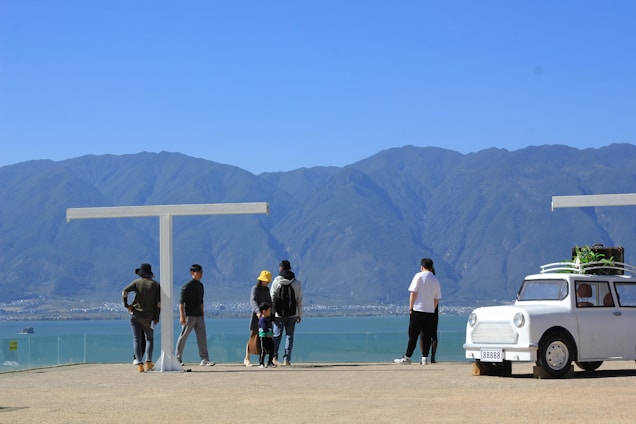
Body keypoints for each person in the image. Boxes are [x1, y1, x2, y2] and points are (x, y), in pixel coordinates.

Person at [394, 258, 442, 365]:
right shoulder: (435, 280)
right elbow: (437, 298)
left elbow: (413, 293)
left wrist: (411, 308)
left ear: (422, 267)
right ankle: (425, 357)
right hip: (430, 312)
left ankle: (408, 357)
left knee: (413, 335)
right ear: (431, 267)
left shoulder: (419, 276)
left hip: (418, 310)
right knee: (426, 335)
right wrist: (432, 308)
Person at [122, 263, 161, 372]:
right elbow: (158, 304)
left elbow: (124, 291)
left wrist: (126, 305)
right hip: (149, 317)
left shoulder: (137, 283)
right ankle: (148, 362)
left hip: (135, 315)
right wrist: (156, 317)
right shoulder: (156, 285)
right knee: (149, 339)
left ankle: (139, 364)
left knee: (137, 339)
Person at [175, 264, 215, 366]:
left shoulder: (201, 286)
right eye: (199, 272)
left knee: (202, 337)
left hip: (199, 316)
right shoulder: (186, 286)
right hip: (189, 315)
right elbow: (181, 302)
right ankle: (177, 358)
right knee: (183, 336)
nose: (201, 274)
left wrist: (202, 314)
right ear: (193, 273)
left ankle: (204, 359)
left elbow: (201, 301)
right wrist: (182, 316)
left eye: (202, 272)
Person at [270, 259, 303, 366]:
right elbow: (299, 300)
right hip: (292, 313)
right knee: (290, 336)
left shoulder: (276, 282)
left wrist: (272, 314)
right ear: (290, 268)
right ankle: (287, 359)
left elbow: (272, 299)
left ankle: (273, 357)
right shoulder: (296, 283)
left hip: (278, 314)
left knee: (276, 336)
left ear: (280, 268)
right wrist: (299, 314)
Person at [244, 270, 273, 367]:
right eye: (266, 281)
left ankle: (266, 359)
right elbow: (253, 301)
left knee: (265, 338)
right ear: (261, 280)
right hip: (257, 317)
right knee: (253, 336)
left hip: (266, 317)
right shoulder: (255, 289)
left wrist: (271, 313)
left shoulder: (267, 290)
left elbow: (269, 302)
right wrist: (258, 311)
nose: (267, 282)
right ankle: (247, 358)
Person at [257, 303, 275, 368]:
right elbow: (264, 328)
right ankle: (261, 363)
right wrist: (268, 333)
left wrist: (271, 333)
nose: (270, 312)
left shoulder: (268, 319)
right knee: (263, 350)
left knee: (272, 349)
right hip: (264, 337)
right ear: (264, 311)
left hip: (269, 337)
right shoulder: (262, 319)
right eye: (269, 310)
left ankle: (270, 362)